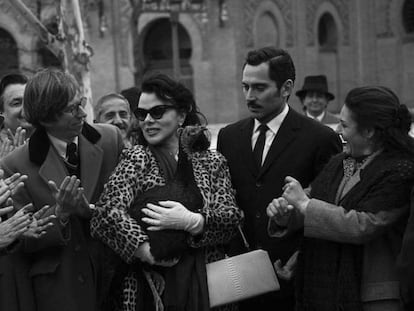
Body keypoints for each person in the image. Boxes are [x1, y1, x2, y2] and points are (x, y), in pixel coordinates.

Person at [91, 73, 244, 311]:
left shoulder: (212, 162)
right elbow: (104, 214)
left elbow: (231, 219)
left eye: (158, 112)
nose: (148, 120)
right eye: (142, 114)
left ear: (181, 115)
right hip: (149, 288)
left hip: (209, 283)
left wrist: (195, 222)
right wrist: (145, 250)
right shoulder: (137, 158)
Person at [216, 47, 342, 310]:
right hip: (241, 281)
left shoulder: (319, 138)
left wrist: (301, 257)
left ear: (286, 88)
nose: (250, 96)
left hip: (294, 279)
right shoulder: (229, 137)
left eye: (259, 88)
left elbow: (331, 209)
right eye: (245, 87)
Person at [267, 86, 414, 311]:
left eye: (345, 125)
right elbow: (324, 200)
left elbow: (363, 225)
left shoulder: (400, 169)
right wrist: (287, 213)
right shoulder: (343, 163)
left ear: (369, 131)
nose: (338, 129)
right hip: (327, 292)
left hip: (372, 297)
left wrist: (305, 205)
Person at [1, 68, 124, 311]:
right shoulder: (15, 164)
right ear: (46, 118)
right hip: (61, 292)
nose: (82, 113)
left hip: (115, 278)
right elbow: (23, 241)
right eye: (71, 109)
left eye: (81, 103)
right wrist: (62, 215)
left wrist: (87, 209)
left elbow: (130, 205)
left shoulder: (110, 140)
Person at [0, 73, 34, 158]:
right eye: (16, 103)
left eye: (30, 101)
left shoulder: (52, 142)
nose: (26, 108)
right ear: (1, 111)